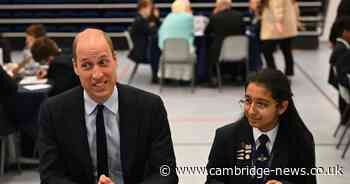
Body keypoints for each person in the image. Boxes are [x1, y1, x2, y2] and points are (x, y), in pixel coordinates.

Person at [38, 28, 178, 184]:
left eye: (103, 62)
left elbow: (166, 173)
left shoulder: (150, 107)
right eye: (86, 65)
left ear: (115, 60)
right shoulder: (53, 111)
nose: (97, 74)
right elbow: (50, 176)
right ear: (75, 67)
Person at [206, 69, 316, 184]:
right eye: (248, 101)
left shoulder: (301, 141)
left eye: (261, 104)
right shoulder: (225, 137)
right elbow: (213, 180)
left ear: (282, 107)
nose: (251, 111)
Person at [204, 0, 244, 85]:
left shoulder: (215, 17)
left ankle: (213, 78)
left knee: (207, 49)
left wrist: (213, 15)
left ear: (219, 5)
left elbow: (206, 32)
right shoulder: (239, 16)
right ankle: (237, 76)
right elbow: (243, 31)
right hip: (239, 50)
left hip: (220, 52)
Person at [259, 0, 300, 78]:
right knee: (286, 50)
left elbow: (277, 5)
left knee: (267, 50)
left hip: (275, 25)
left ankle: (273, 73)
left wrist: (278, 21)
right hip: (286, 24)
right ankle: (289, 72)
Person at [158, 0, 195, 81]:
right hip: (185, 53)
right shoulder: (189, 17)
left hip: (167, 52)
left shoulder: (168, 17)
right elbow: (194, 32)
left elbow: (160, 34)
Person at [128, 0, 160, 83]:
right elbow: (153, 31)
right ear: (143, 8)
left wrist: (154, 21)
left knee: (156, 48)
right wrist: (156, 18)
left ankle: (159, 75)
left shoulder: (143, 19)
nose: (152, 10)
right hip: (141, 53)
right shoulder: (140, 20)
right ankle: (155, 77)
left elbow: (157, 28)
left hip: (142, 49)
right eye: (150, 8)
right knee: (157, 50)